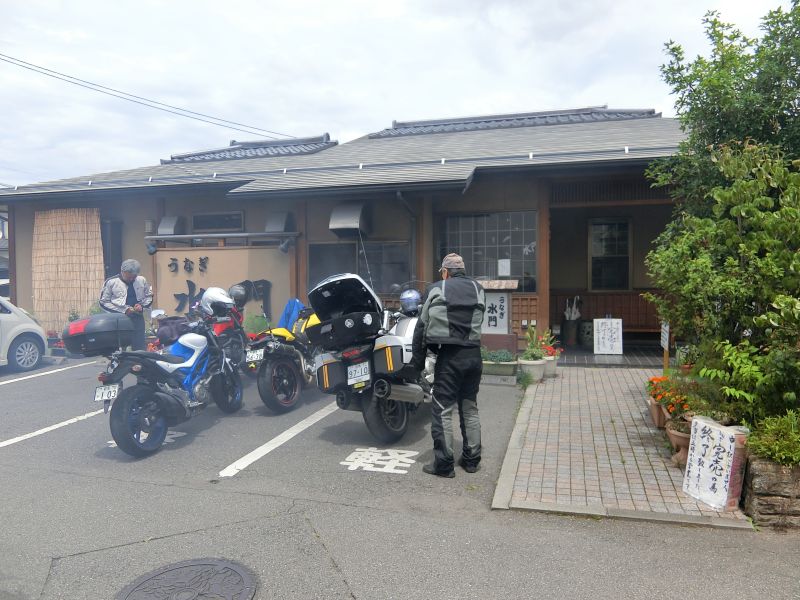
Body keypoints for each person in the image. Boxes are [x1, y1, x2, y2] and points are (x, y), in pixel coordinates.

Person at [413, 253, 486, 478]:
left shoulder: (436, 288)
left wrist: (417, 364)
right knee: (469, 407)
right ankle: (472, 461)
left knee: (442, 409)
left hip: (450, 357)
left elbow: (421, 328)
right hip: (474, 355)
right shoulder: (478, 289)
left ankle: (444, 465)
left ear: (445, 272)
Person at [99, 259, 153, 350]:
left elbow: (149, 296)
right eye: (129, 277)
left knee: (139, 347)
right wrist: (124, 310)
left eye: (134, 277)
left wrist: (142, 306)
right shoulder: (111, 282)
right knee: (120, 348)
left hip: (137, 318)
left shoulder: (142, 280)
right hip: (118, 319)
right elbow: (103, 302)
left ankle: (139, 359)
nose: (131, 279)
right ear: (122, 272)